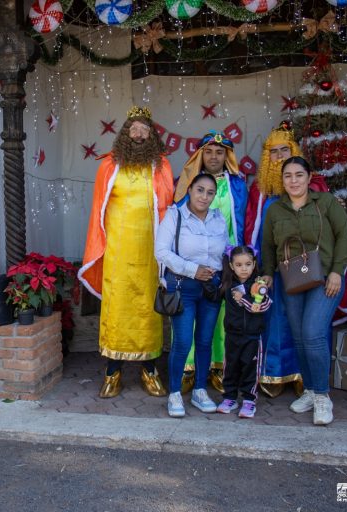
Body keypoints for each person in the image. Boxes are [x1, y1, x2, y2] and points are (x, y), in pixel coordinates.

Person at [79, 106, 174, 398]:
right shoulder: (108, 166)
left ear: (152, 136)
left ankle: (149, 370)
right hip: (117, 253)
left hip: (149, 254)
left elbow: (168, 209)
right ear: (124, 134)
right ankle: (112, 372)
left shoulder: (161, 166)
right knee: (117, 310)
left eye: (144, 130)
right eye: (133, 129)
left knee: (148, 310)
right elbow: (98, 211)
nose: (138, 134)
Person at [261, 156, 347, 426]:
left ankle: (323, 397)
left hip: (326, 278)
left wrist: (337, 270)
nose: (293, 181)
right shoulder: (275, 210)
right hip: (291, 280)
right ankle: (311, 391)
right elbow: (267, 246)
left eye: (298, 175)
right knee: (300, 337)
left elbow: (344, 236)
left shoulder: (326, 203)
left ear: (309, 177)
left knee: (313, 333)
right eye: (287, 176)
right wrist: (267, 273)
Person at [174, 131, 248, 394]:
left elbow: (244, 220)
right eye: (209, 151)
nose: (214, 156)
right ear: (200, 155)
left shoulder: (238, 184)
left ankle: (218, 368)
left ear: (227, 156)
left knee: (221, 318)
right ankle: (186, 369)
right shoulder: (186, 182)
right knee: (188, 317)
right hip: (192, 264)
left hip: (226, 262)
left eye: (219, 152)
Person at [156, 173, 228, 417]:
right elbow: (161, 252)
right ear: (189, 189)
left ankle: (199, 390)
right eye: (200, 190)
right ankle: (175, 393)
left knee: (206, 340)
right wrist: (193, 270)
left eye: (210, 192)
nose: (204, 196)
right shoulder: (175, 215)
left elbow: (223, 252)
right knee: (184, 341)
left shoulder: (218, 219)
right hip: (183, 286)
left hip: (211, 288)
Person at [216, 245, 272, 419]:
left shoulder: (258, 286)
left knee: (250, 367)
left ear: (254, 264)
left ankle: (249, 400)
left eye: (248, 264)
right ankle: (229, 397)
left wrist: (244, 299)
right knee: (231, 367)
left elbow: (262, 306)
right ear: (232, 266)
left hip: (252, 336)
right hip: (232, 334)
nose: (244, 268)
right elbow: (214, 296)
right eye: (239, 265)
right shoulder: (228, 285)